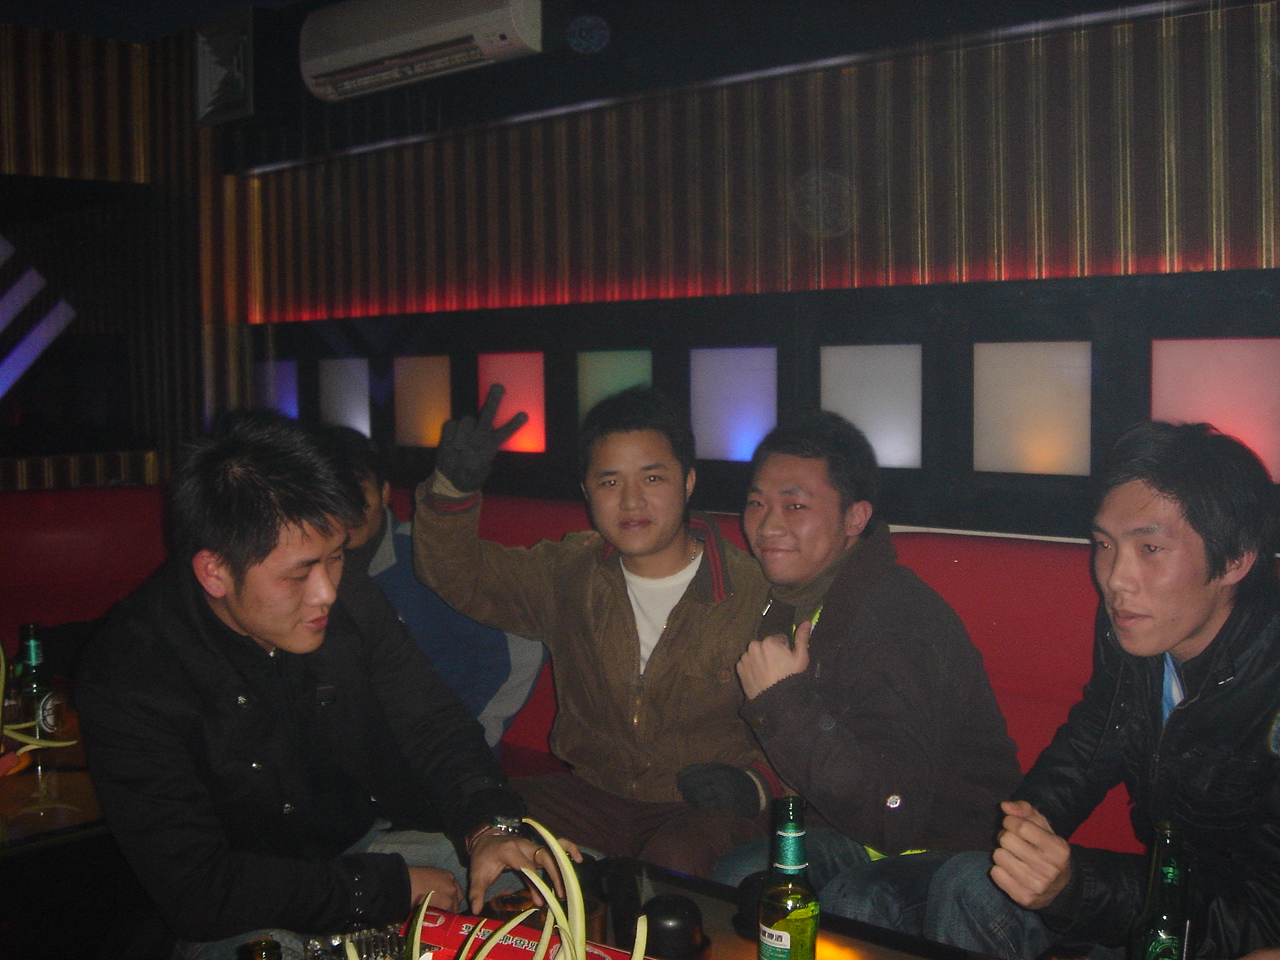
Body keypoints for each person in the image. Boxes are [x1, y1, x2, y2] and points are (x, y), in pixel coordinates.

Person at [76, 411, 571, 960]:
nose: (327, 592)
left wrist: (488, 826)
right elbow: (199, 890)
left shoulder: (347, 595)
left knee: (556, 884)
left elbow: (433, 720)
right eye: (299, 574)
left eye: (336, 557)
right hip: (242, 910)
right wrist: (381, 889)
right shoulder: (131, 674)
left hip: (369, 845)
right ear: (215, 572)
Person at [919, 421, 1280, 960]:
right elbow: (1097, 734)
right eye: (1105, 545)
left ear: (1235, 560)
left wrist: (1074, 887)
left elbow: (1265, 915)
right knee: (922, 891)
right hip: (1156, 902)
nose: (1115, 579)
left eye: (1151, 547)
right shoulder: (1138, 628)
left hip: (1221, 929)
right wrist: (1030, 824)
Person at [413, 384, 776, 877]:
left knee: (668, 869)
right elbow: (458, 573)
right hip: (591, 794)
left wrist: (755, 784)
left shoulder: (754, 591)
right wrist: (452, 489)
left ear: (688, 481)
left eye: (652, 477)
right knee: (470, 827)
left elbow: (813, 723)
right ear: (586, 492)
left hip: (701, 808)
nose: (631, 500)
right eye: (609, 482)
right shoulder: (570, 572)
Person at [709, 411, 1021, 928]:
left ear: (855, 519)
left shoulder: (895, 620)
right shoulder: (788, 602)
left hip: (950, 850)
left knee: (857, 903)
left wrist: (783, 699)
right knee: (737, 878)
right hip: (850, 832)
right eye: (757, 503)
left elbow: (892, 813)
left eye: (795, 505)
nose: (767, 525)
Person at [318, 425, 545, 750]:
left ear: (384, 493)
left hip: (437, 757)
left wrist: (466, 740)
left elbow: (525, 647)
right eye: (333, 497)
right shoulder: (304, 570)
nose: (348, 510)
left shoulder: (427, 556)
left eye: (359, 492)